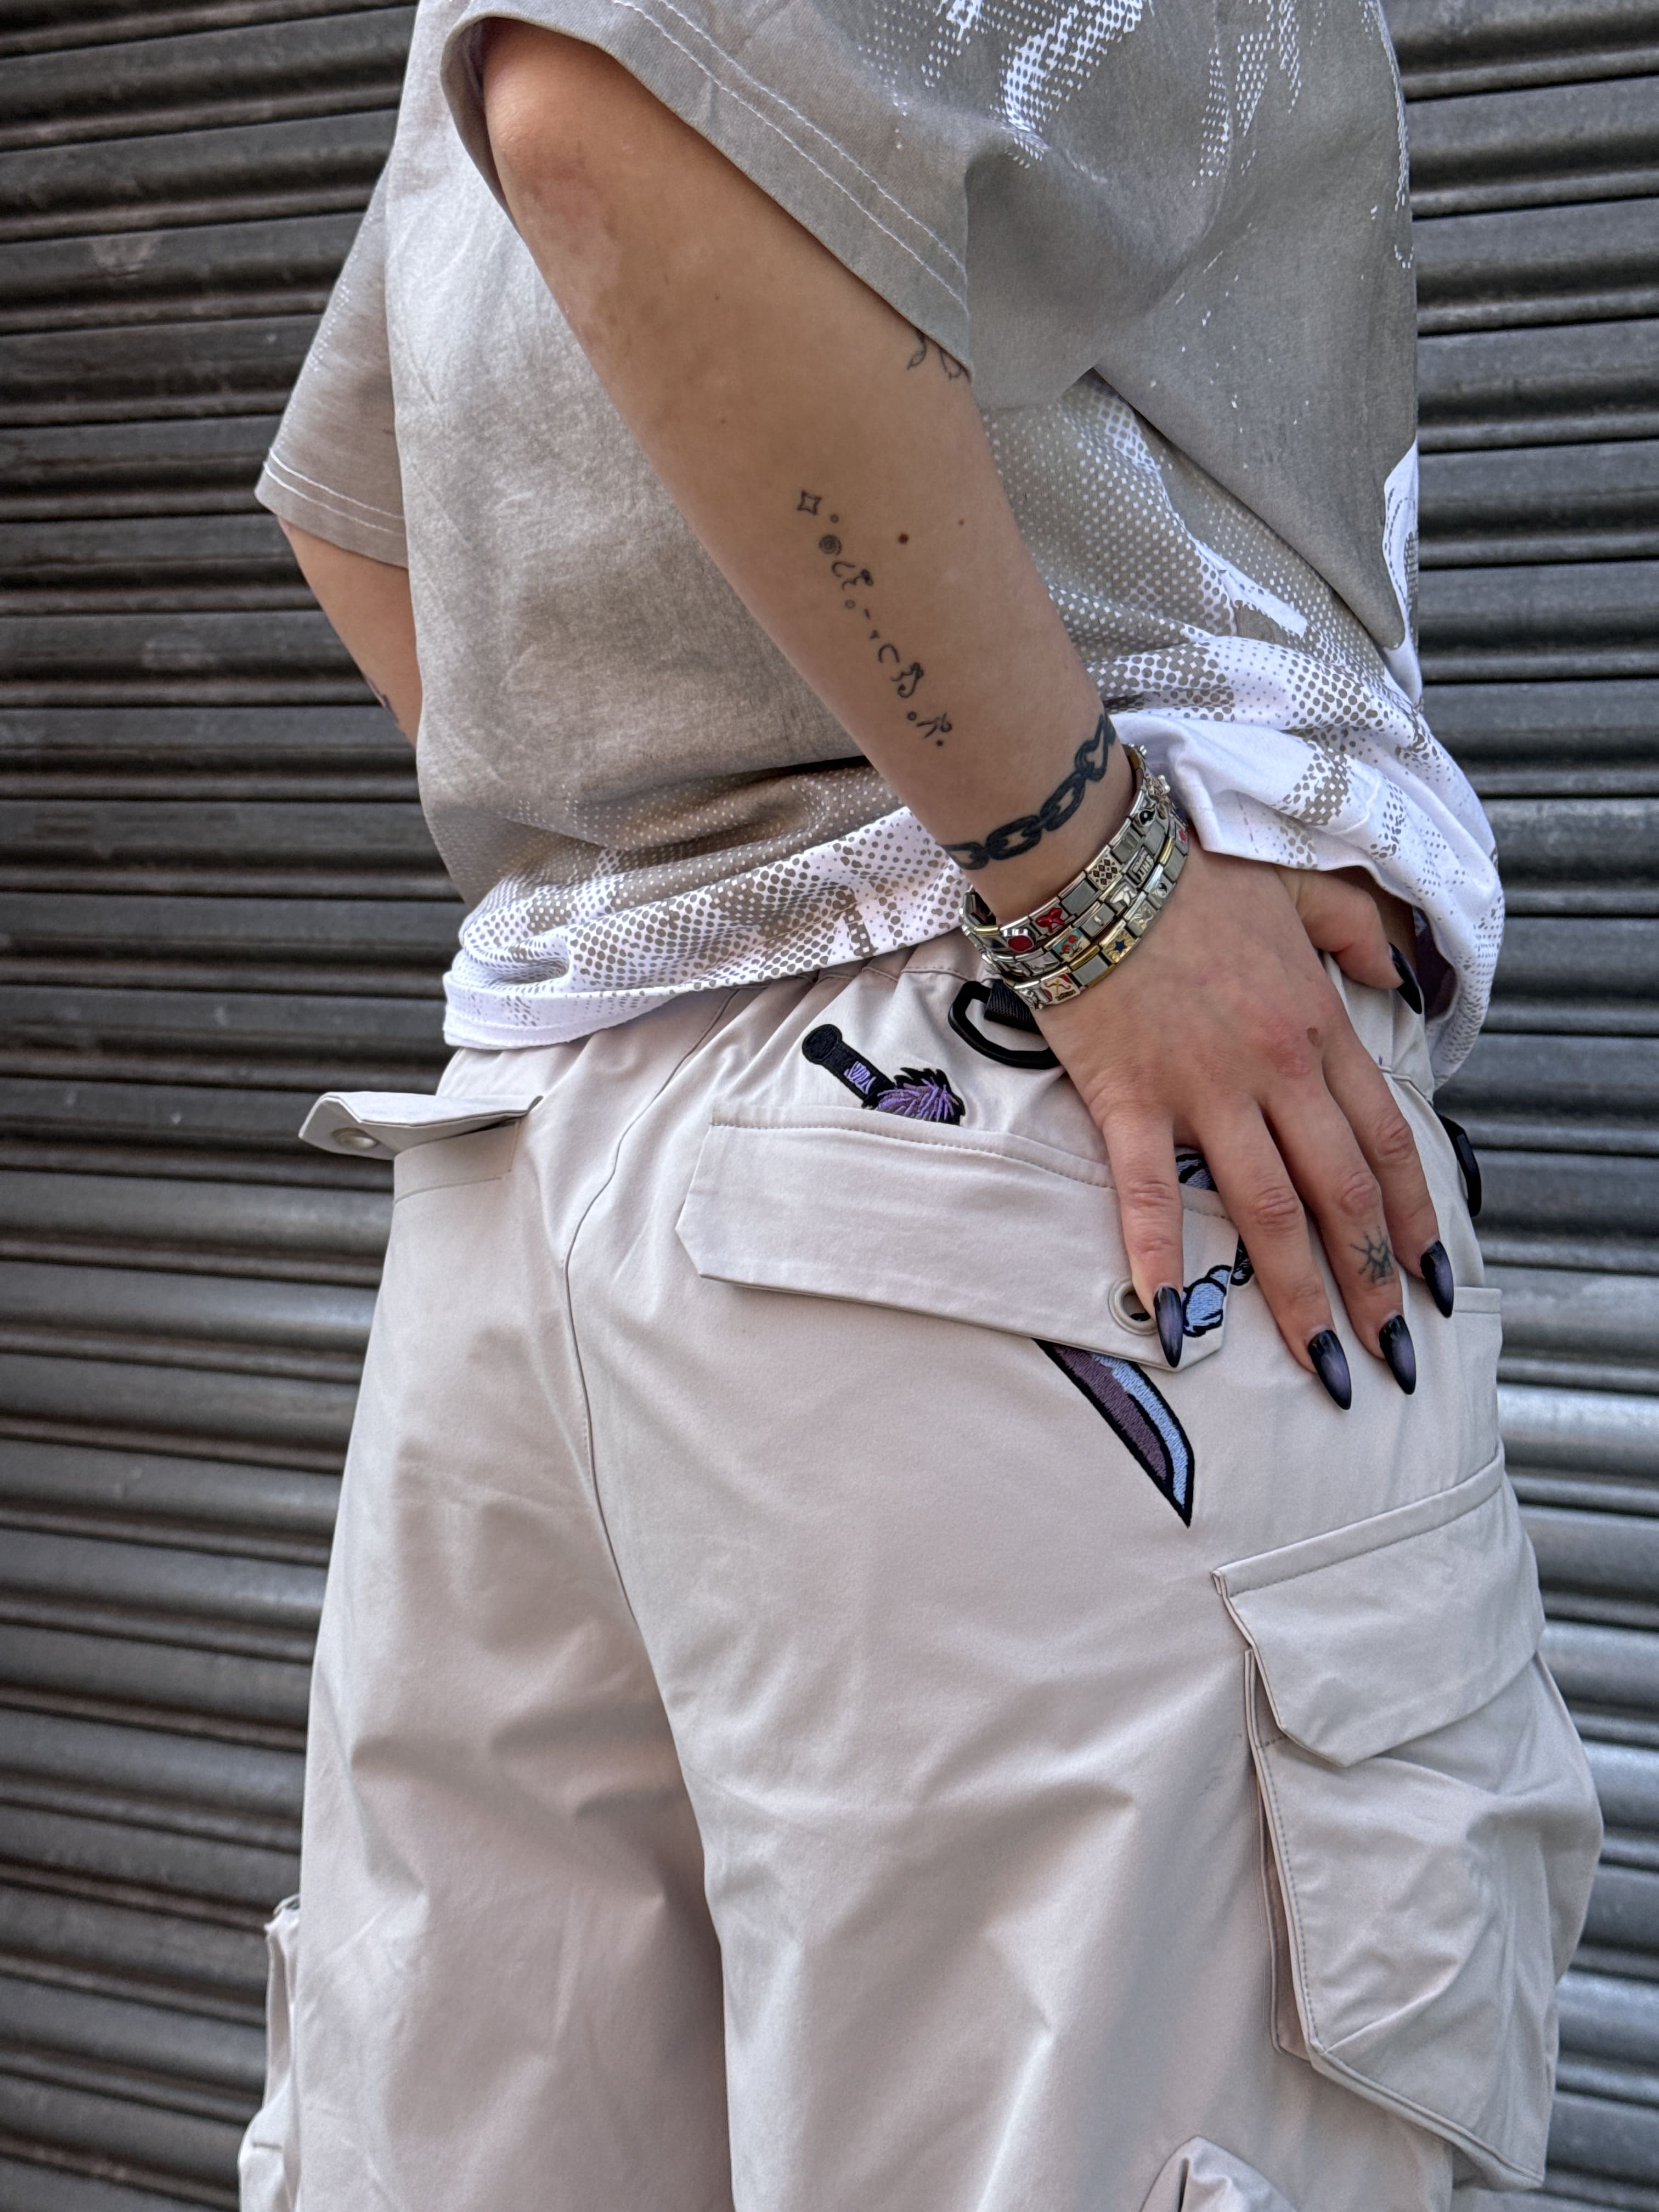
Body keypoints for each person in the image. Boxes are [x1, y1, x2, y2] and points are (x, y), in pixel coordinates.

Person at [238, 1, 1604, 2205]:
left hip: (562, 1139)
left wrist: (700, 860)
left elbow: (374, 508)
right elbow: (607, 118)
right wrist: (1089, 880)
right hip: (1043, 1163)